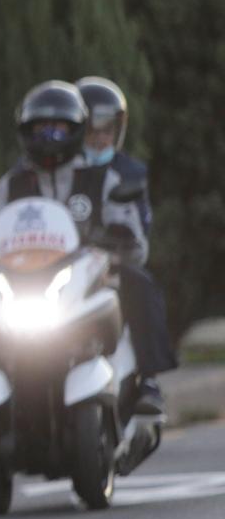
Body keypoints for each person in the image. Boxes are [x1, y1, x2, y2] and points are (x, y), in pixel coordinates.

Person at [76, 76, 174, 413]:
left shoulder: (129, 173)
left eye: (107, 129)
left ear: (118, 130)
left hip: (110, 267)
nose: (100, 138)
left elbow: (139, 236)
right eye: (92, 129)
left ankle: (148, 379)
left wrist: (122, 240)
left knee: (141, 286)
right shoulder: (55, 168)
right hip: (58, 269)